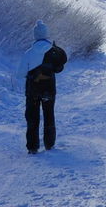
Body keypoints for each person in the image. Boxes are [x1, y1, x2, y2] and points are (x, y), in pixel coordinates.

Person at [18, 20, 67, 154]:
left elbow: (20, 74)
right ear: (46, 34)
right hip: (49, 90)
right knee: (49, 116)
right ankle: (49, 145)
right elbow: (59, 68)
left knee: (32, 118)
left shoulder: (28, 53)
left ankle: (33, 147)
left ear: (35, 35)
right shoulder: (54, 51)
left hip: (32, 90)